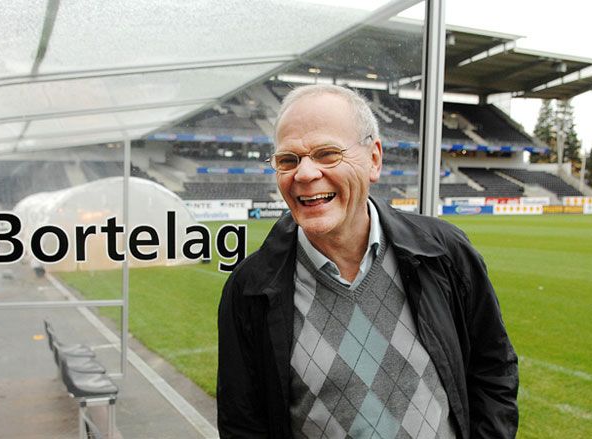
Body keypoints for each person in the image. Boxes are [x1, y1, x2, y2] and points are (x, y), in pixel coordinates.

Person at [217, 84, 518, 438]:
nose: (305, 174)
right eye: (288, 160)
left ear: (374, 159)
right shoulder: (249, 289)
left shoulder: (445, 253)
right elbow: (242, 425)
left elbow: (493, 369)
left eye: (327, 154)